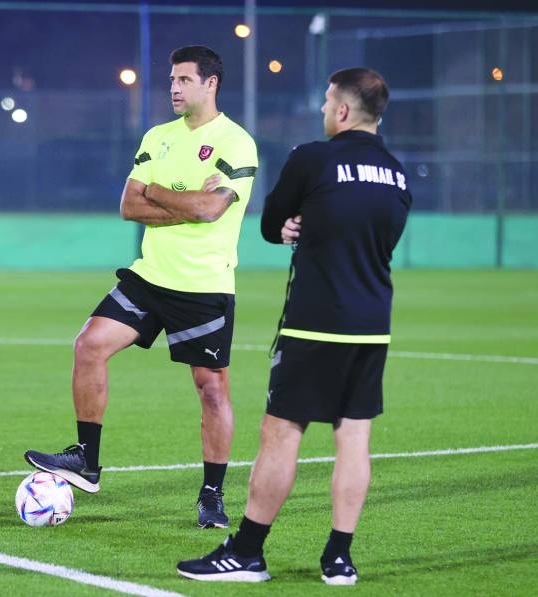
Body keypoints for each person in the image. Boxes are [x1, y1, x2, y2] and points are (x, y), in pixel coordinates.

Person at [176, 67, 411, 584]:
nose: (325, 110)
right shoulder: (397, 172)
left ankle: (247, 552)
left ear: (344, 111)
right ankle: (339, 558)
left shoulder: (314, 157)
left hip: (316, 323)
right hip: (373, 324)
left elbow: (268, 224)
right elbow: (377, 239)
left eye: (329, 102)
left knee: (281, 433)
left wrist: (287, 227)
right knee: (354, 438)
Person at [24, 45, 258, 529]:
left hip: (203, 286)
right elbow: (130, 206)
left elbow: (210, 210)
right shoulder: (158, 136)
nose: (173, 87)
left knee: (211, 390)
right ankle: (86, 462)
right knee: (88, 345)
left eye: (184, 80)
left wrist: (159, 192)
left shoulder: (237, 143)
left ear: (210, 83)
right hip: (150, 275)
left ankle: (212, 494)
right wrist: (181, 200)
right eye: (171, 79)